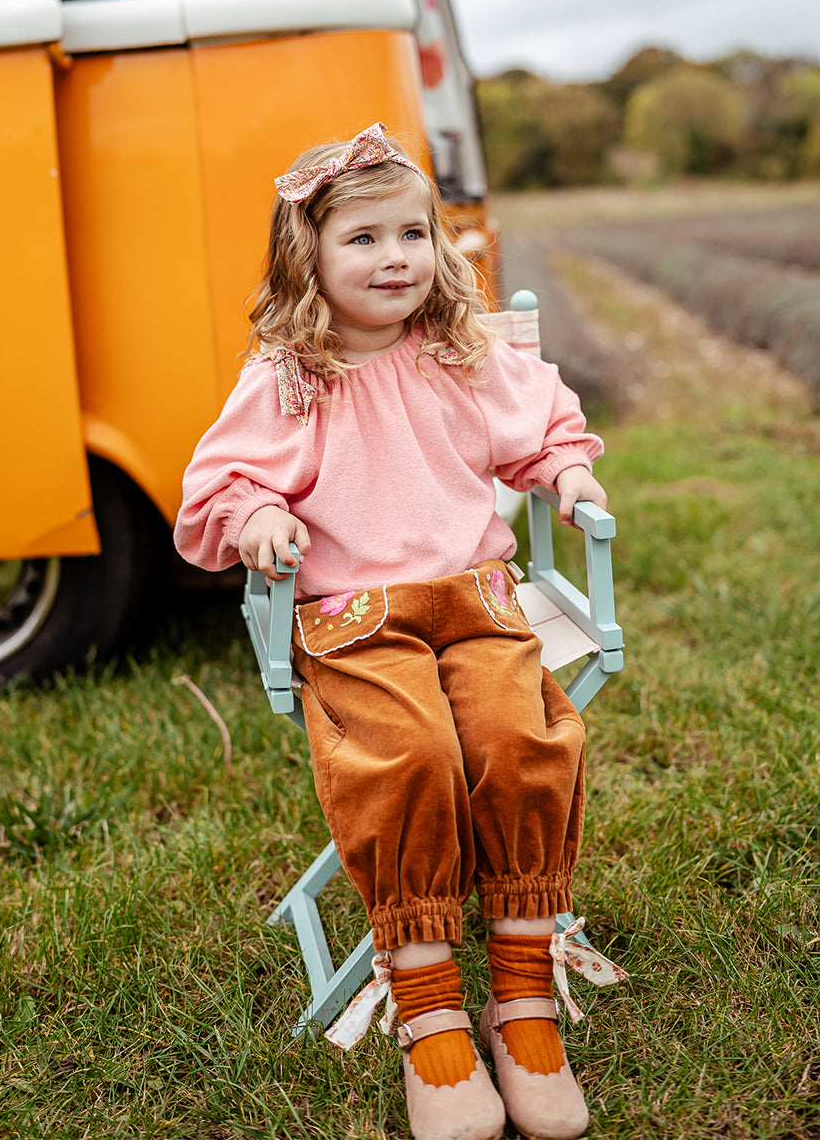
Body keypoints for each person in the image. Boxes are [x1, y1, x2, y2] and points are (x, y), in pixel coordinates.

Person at [174, 123, 626, 1140]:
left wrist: (566, 470)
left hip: (476, 599)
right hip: (356, 619)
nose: (395, 259)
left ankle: (522, 992)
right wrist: (260, 515)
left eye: (412, 235)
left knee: (521, 739)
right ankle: (429, 1007)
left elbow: (542, 423)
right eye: (364, 239)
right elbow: (219, 483)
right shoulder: (291, 376)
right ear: (310, 257)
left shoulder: (460, 355)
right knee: (410, 753)